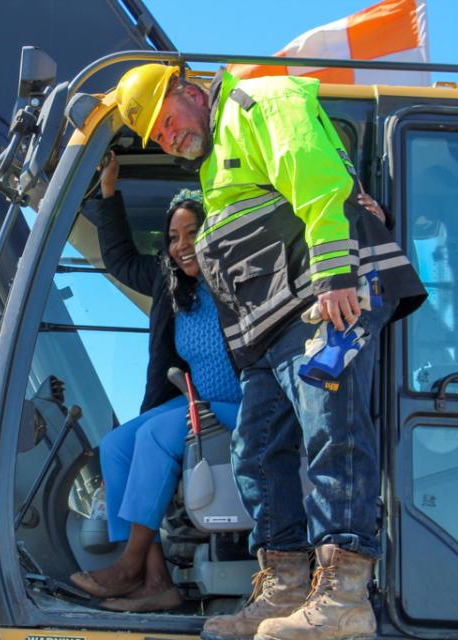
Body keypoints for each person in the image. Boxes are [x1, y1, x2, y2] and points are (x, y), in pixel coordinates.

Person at [112, 64, 426, 640]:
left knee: (335, 432)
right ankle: (282, 589)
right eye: (158, 137)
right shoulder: (213, 162)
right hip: (269, 329)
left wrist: (334, 272)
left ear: (187, 89)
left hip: (323, 299)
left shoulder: (257, 102)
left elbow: (315, 174)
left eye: (166, 122)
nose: (169, 138)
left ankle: (344, 598)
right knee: (256, 448)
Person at [69, 152, 242, 613]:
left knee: (154, 435)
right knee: (118, 444)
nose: (182, 245)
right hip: (198, 402)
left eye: (193, 233)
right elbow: (122, 260)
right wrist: (108, 192)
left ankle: (128, 566)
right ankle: (155, 577)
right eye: (173, 237)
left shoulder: (242, 282)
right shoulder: (172, 283)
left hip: (245, 403)